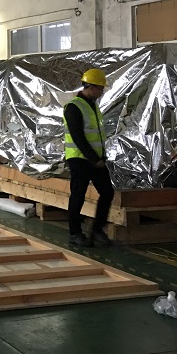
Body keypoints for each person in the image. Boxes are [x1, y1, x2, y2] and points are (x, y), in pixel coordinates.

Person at [63, 68, 114, 247]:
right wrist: (94, 158)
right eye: (100, 88)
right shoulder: (74, 107)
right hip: (79, 159)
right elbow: (78, 137)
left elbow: (96, 135)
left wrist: (101, 156)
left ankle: (97, 229)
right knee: (78, 195)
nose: (101, 92)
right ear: (90, 87)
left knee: (107, 192)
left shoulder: (92, 106)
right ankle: (75, 233)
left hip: (95, 159)